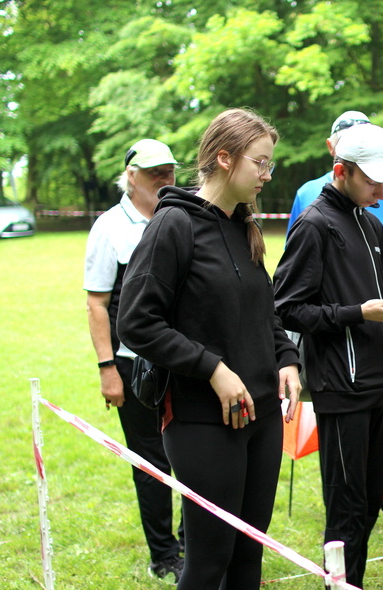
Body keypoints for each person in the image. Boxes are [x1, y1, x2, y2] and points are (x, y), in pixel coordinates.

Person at [116, 108, 301, 590]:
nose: (266, 174)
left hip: (262, 417)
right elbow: (136, 322)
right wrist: (213, 369)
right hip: (201, 421)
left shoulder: (243, 227)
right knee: (208, 562)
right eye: (260, 163)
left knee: (248, 559)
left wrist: (287, 358)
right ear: (224, 159)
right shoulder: (173, 225)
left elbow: (265, 313)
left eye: (269, 165)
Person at [273, 123, 383, 588]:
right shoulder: (314, 224)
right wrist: (357, 312)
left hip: (381, 383)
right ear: (341, 170)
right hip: (342, 387)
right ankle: (342, 582)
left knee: (370, 500)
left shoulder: (372, 223)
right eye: (373, 180)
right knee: (346, 507)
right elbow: (287, 308)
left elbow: (373, 293)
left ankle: (351, 581)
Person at [84, 138, 185, 582]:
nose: (164, 179)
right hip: (134, 364)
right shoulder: (109, 227)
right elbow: (97, 303)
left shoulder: (182, 217)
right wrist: (108, 370)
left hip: (186, 359)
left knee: (194, 455)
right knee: (151, 462)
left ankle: (193, 542)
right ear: (131, 176)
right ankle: (164, 555)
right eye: (153, 172)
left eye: (169, 170)